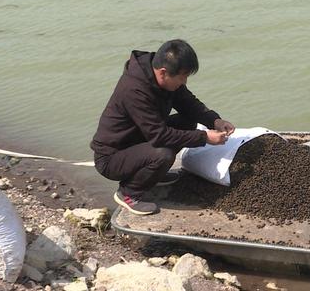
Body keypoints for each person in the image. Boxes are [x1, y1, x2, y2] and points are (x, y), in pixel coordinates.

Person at [91, 39, 235, 215]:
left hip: (139, 141)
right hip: (112, 158)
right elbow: (159, 136)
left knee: (187, 122)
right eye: (182, 77)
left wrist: (215, 121)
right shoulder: (135, 90)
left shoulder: (166, 81)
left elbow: (189, 104)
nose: (185, 82)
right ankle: (129, 192)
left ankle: (152, 174)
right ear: (163, 72)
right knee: (163, 155)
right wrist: (204, 137)